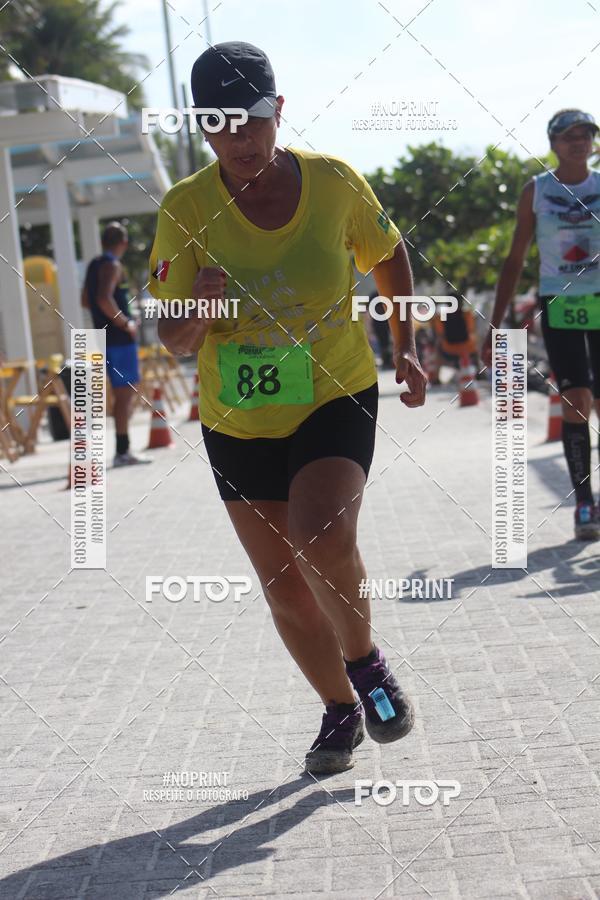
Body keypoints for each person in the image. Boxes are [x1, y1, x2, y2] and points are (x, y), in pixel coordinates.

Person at [149, 41, 426, 775]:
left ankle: (367, 669)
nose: (240, 138)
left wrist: (406, 343)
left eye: (254, 119)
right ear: (201, 127)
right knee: (285, 586)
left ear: (280, 113)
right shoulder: (186, 207)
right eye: (221, 123)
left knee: (319, 533)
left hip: (335, 389)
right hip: (238, 418)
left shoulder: (334, 183)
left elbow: (389, 253)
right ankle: (340, 709)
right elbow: (172, 336)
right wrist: (197, 310)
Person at [483, 109, 600, 540]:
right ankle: (584, 504)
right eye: (568, 136)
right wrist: (497, 325)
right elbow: (514, 259)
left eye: (585, 135)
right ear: (553, 143)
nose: (578, 142)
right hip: (561, 301)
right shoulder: (537, 190)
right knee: (576, 400)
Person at [82, 222, 150, 467]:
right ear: (124, 243)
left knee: (121, 394)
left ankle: (122, 449)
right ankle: (123, 451)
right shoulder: (112, 265)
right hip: (119, 339)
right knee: (125, 395)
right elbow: (102, 298)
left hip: (103, 337)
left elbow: (85, 300)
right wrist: (125, 323)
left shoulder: (93, 265)